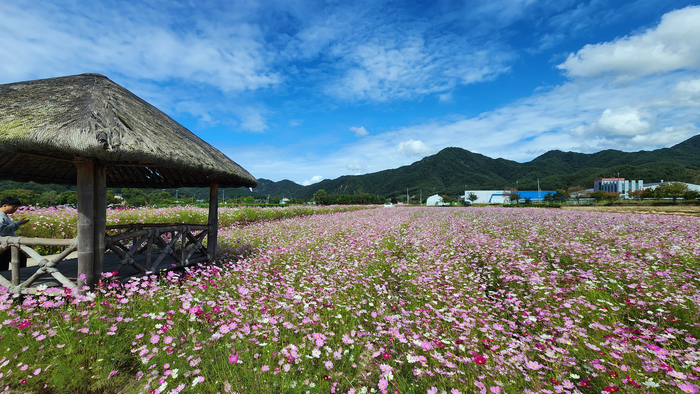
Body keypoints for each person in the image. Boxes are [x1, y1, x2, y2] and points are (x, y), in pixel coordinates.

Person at [0, 196, 30, 271]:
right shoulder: (0, 216)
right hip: (3, 246)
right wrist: (18, 223)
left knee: (20, 259)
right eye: (14, 207)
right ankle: (17, 278)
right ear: (5, 206)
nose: (16, 209)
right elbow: (3, 230)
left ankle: (18, 277)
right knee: (3, 266)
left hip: (7, 245)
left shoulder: (4, 215)